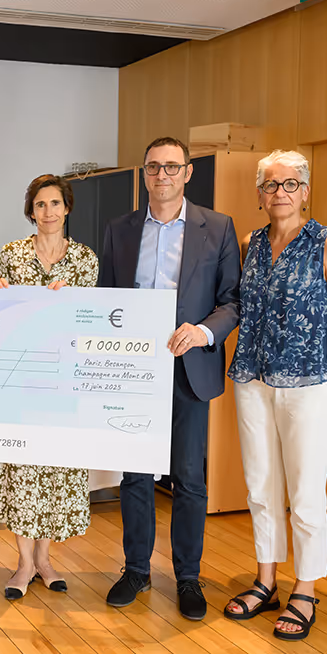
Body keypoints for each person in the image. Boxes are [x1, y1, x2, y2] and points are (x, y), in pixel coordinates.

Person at [98, 137, 241, 620]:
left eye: (171, 167)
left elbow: (232, 301)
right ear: (144, 174)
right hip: (133, 369)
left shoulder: (217, 227)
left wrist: (203, 331)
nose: (162, 176)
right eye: (154, 168)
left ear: (187, 172)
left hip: (188, 369)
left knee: (189, 478)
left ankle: (187, 576)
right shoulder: (118, 229)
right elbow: (104, 301)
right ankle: (136, 569)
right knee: (135, 474)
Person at [223, 150, 327, 640]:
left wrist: (326, 375)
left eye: (289, 184)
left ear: (305, 191)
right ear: (259, 194)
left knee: (305, 492)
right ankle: (266, 581)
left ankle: (306, 588)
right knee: (260, 485)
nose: (279, 192)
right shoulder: (250, 243)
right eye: (270, 184)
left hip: (309, 386)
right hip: (253, 380)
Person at [0, 174, 98, 600]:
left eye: (56, 203)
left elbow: (90, 318)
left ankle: (45, 560)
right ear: (31, 211)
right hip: (19, 379)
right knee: (22, 470)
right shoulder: (12, 254)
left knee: (55, 469)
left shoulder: (85, 260)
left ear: (67, 209)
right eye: (41, 204)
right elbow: (5, 314)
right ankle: (23, 563)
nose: (48, 212)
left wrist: (71, 301)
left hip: (64, 380)